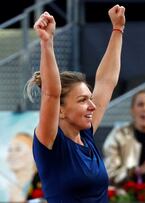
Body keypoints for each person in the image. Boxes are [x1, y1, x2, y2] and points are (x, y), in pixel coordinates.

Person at [25, 5, 125, 202]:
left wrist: (118, 29)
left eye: (89, 98)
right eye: (82, 100)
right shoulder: (50, 143)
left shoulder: (85, 136)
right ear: (60, 111)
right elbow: (51, 94)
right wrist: (47, 42)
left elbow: (106, 82)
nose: (92, 105)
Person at [6, 132, 37, 202]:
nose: (11, 154)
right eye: (9, 150)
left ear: (34, 154)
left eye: (18, 149)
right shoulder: (10, 189)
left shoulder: (44, 185)